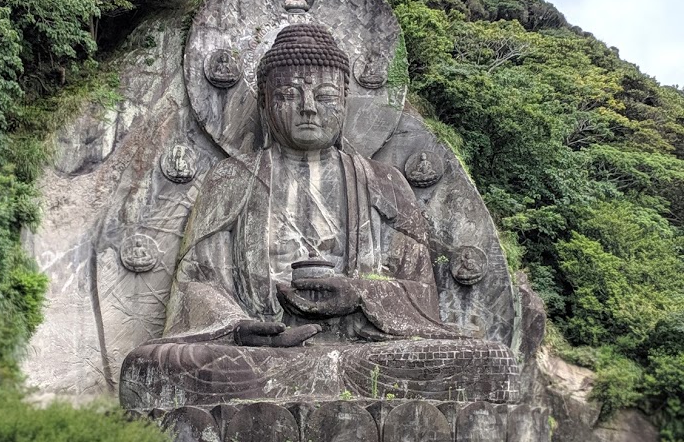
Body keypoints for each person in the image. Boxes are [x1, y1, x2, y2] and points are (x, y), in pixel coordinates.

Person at [120, 24, 515, 406]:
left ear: (344, 101)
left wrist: (359, 294)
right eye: (290, 94)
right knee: (154, 366)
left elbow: (422, 294)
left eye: (325, 95)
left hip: (364, 351)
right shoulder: (230, 178)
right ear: (264, 102)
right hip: (259, 357)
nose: (308, 107)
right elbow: (196, 286)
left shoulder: (385, 182)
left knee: (482, 362)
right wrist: (240, 328)